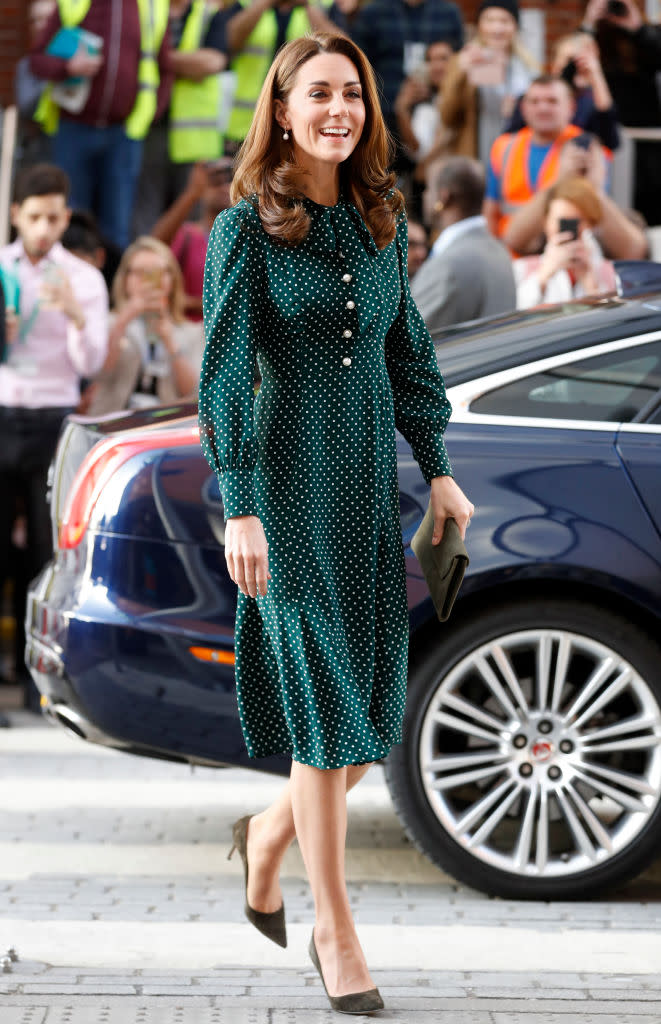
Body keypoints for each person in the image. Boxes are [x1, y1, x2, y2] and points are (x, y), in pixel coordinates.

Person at [198, 31, 473, 1012]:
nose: (337, 109)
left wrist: (438, 472)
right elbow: (225, 373)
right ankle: (335, 929)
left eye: (351, 93)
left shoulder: (379, 218)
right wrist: (240, 506)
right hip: (285, 492)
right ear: (279, 108)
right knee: (323, 720)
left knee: (361, 723)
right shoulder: (244, 230)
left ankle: (267, 835)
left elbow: (411, 354)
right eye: (317, 93)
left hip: (367, 486)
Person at [0, 163, 108, 692]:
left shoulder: (83, 278)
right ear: (16, 214)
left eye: (54, 218)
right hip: (4, 411)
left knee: (47, 551)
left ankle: (32, 674)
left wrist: (75, 316)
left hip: (53, 417)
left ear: (66, 218)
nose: (44, 228)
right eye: (35, 216)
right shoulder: (1, 269)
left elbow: (92, 360)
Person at [29, 0, 173, 252]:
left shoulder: (152, 6)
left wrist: (153, 113)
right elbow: (37, 61)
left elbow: (165, 67)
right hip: (74, 131)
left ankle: (109, 289)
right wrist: (68, 67)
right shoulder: (72, 3)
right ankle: (69, 289)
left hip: (123, 135)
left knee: (117, 228)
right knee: (71, 223)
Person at [131, 0, 231, 238]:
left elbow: (212, 62)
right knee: (145, 219)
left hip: (193, 141)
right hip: (149, 128)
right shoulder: (146, 9)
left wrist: (159, 59)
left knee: (192, 222)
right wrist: (187, 63)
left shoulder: (209, 14)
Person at [87, 237, 200, 415]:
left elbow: (194, 393)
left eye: (157, 273)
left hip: (163, 428)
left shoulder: (192, 331)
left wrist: (169, 341)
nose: (148, 281)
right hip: (113, 421)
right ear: (125, 279)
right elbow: (98, 373)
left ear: (173, 278)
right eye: (141, 272)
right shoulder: (107, 322)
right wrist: (124, 320)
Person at [503, 129, 649, 259]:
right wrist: (559, 182)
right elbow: (513, 240)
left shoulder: (626, 217)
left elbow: (635, 252)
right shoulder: (548, 216)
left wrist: (594, 190)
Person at [411, 156, 516, 330]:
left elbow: (406, 342)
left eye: (429, 188)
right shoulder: (500, 252)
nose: (425, 195)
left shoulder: (449, 265)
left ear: (443, 197)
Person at [485, 75, 590, 244]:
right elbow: (491, 209)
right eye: (534, 102)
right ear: (523, 108)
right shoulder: (503, 146)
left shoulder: (585, 147)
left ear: (571, 107)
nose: (542, 108)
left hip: (562, 251)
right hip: (511, 253)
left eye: (552, 101)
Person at [223, 0, 340, 152]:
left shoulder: (325, 6)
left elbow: (340, 52)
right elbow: (227, 42)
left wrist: (308, 7)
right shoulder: (245, 4)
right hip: (246, 129)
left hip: (304, 128)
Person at [582, 0, 661, 226]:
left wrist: (636, 27)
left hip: (648, 141)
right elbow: (570, 68)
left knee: (650, 207)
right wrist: (589, 24)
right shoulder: (591, 39)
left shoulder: (645, 37)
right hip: (606, 137)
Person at [348, 0, 463, 146]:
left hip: (436, 120)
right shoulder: (372, 13)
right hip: (383, 120)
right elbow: (358, 67)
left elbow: (458, 68)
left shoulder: (449, 13)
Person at [440, 0, 537, 165]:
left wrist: (519, 110)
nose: (497, 28)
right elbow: (447, 117)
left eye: (505, 21)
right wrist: (461, 75)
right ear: (479, 25)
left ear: (515, 26)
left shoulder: (528, 67)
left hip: (517, 156)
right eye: (490, 20)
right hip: (476, 156)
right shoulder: (463, 61)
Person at [505, 30, 620, 151]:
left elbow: (610, 140)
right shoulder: (533, 97)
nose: (577, 66)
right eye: (569, 60)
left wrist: (596, 75)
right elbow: (510, 139)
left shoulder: (593, 101)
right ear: (555, 63)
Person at [513, 175, 617, 308]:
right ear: (546, 222)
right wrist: (544, 276)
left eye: (577, 221)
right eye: (562, 222)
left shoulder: (611, 274)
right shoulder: (523, 269)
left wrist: (591, 286)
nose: (569, 231)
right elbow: (516, 315)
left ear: (591, 224)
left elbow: (610, 321)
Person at [151, 158, 234, 321]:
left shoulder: (248, 237)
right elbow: (153, 247)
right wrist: (192, 193)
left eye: (231, 179)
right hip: (190, 334)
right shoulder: (188, 235)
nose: (224, 187)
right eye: (215, 181)